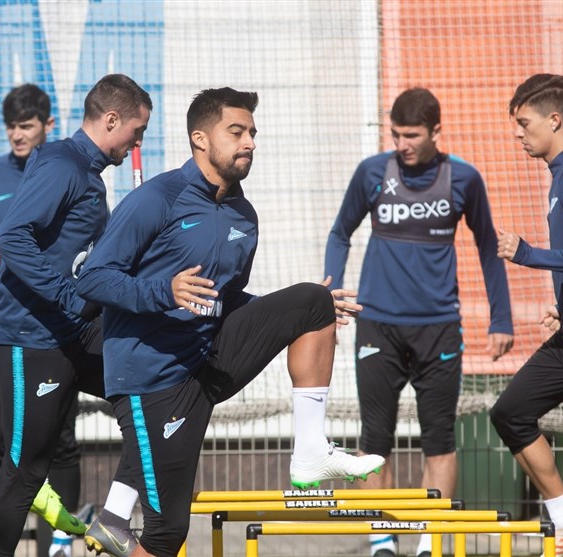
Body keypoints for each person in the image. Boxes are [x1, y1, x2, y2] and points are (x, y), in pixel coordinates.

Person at [77, 87, 385, 557]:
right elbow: (93, 278)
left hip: (205, 363)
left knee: (313, 301)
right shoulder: (157, 198)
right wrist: (164, 291)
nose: (249, 142)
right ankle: (115, 519)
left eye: (253, 133)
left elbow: (228, 300)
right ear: (200, 138)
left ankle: (310, 451)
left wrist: (283, 317)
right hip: (151, 380)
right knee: (166, 533)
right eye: (236, 132)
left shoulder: (244, 215)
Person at [324, 87, 514, 557]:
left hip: (439, 328)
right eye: (396, 135)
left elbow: (488, 247)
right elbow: (340, 232)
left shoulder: (463, 178)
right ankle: (382, 541)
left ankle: (430, 540)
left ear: (435, 131)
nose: (402, 144)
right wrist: (330, 296)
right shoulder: (372, 172)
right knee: (374, 440)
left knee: (440, 440)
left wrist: (501, 318)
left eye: (411, 135)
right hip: (378, 326)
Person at [0, 74, 152, 557]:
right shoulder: (63, 164)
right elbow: (13, 236)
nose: (137, 143)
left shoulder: (89, 175)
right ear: (111, 120)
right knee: (24, 471)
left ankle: (114, 518)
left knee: (153, 391)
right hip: (27, 337)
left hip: (69, 334)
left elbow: (87, 260)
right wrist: (69, 298)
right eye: (136, 131)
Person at [0, 83, 86, 557]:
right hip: (2, 326)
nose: (17, 135)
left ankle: (56, 544)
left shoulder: (63, 173)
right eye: (11, 127)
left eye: (27, 125)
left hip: (53, 329)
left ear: (48, 125)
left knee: (59, 440)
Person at [491, 73, 563, 557]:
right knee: (511, 413)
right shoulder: (560, 177)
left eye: (524, 123)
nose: (518, 133)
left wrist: (528, 253)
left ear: (555, 120)